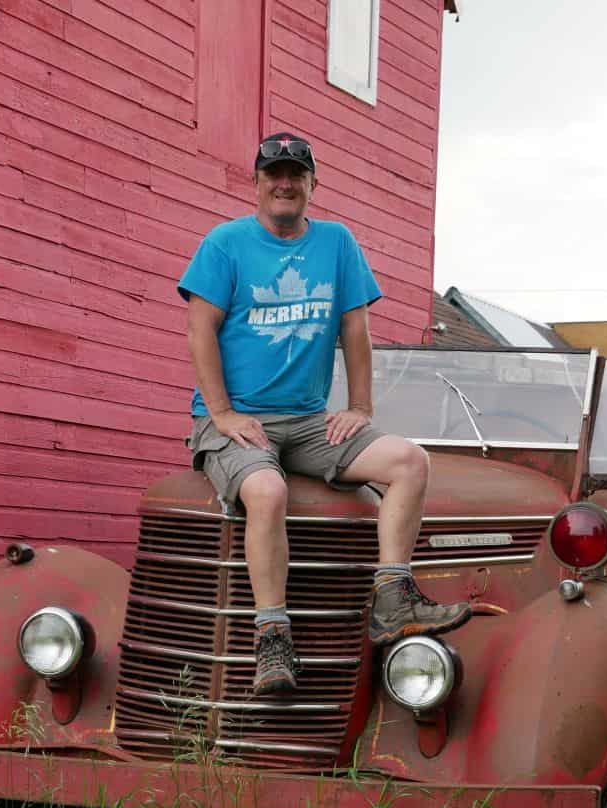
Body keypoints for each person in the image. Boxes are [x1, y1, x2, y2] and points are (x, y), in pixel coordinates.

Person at [177, 132, 471, 696]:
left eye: (296, 174)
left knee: (409, 461)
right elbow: (200, 329)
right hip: (238, 420)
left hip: (310, 421)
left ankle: (391, 597)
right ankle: (272, 638)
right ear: (257, 183)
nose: (284, 184)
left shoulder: (337, 244)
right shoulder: (224, 245)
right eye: (273, 174)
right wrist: (221, 412)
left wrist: (360, 407)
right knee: (266, 491)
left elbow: (355, 330)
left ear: (313, 183)